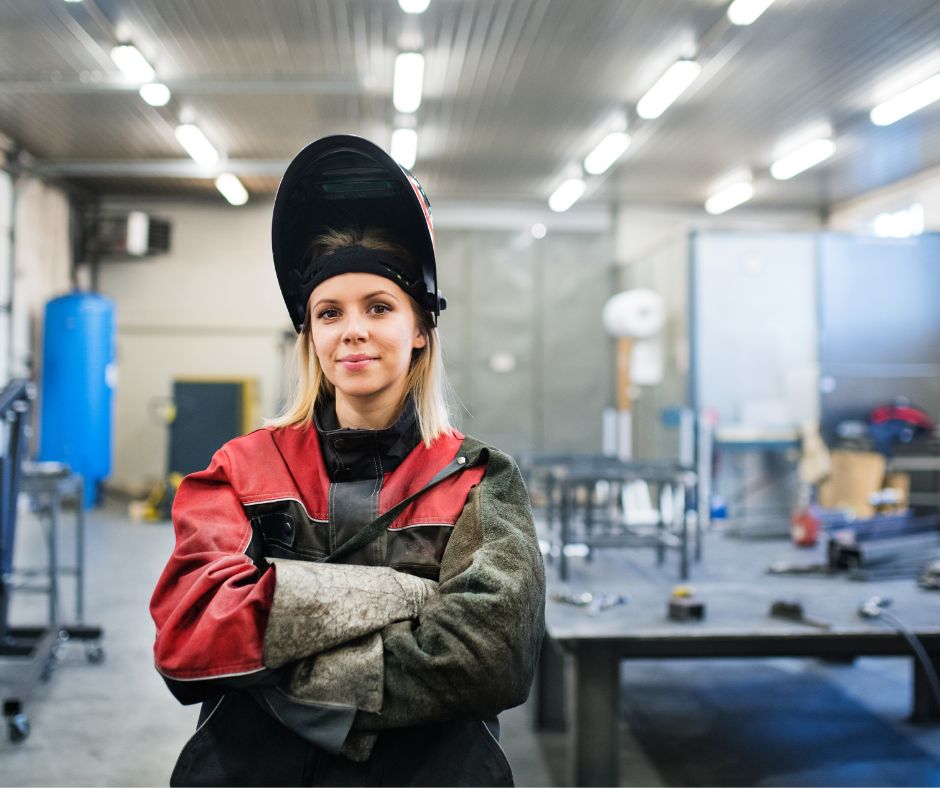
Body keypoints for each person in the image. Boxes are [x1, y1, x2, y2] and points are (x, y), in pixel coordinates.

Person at [149, 135, 546, 787]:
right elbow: (189, 637)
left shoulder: (478, 477)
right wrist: (403, 594)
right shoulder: (238, 468)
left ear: (420, 330)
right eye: (329, 311)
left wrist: (280, 663)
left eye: (380, 307)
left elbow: (492, 655)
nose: (352, 329)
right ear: (310, 332)